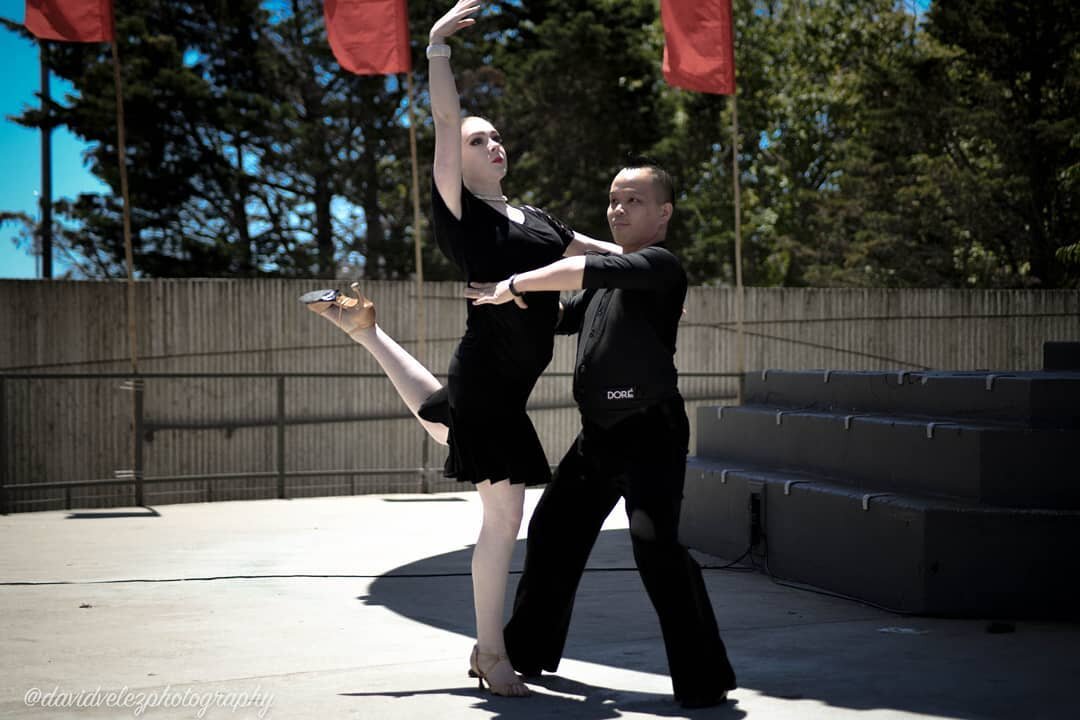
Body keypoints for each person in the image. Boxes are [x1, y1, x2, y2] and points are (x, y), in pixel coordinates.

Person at [299, 0, 619, 699]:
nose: (491, 144)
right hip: (491, 378)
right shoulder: (461, 214)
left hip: (501, 383)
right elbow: (445, 120)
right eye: (479, 141)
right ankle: (490, 653)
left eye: (497, 137)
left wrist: (652, 264)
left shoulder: (538, 219)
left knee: (441, 417)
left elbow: (604, 257)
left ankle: (368, 329)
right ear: (459, 161)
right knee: (504, 515)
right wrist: (438, 46)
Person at [465, 159, 738, 708]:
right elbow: (561, 313)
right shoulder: (604, 280)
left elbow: (586, 270)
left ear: (663, 212)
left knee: (656, 549)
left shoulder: (659, 265)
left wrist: (514, 281)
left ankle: (705, 681)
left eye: (633, 200)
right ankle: (525, 651)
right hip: (598, 436)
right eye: (614, 199)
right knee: (551, 536)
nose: (618, 209)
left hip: (651, 431)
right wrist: (511, 297)